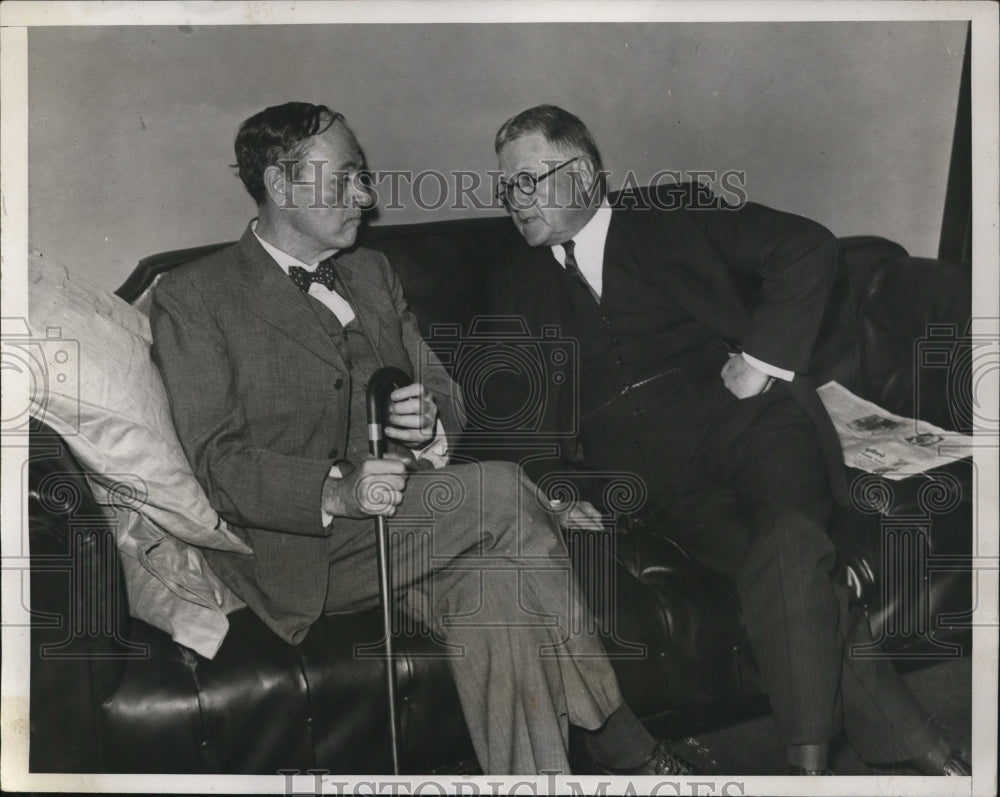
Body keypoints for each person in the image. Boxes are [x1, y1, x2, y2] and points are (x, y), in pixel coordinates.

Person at [149, 101, 695, 776]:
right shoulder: (194, 296)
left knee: (501, 597)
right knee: (501, 489)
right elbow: (216, 462)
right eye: (346, 177)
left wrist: (430, 429)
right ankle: (619, 738)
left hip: (411, 521)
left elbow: (444, 396)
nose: (367, 194)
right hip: (306, 546)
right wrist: (339, 490)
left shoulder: (373, 274)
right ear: (282, 187)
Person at [484, 103, 970, 776]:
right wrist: (559, 494)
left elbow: (808, 246)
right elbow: (515, 419)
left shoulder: (671, 214)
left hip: (751, 427)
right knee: (782, 570)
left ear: (586, 173)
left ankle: (806, 769)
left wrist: (764, 360)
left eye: (530, 180)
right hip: (656, 482)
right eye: (507, 187)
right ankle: (923, 746)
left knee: (788, 540)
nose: (516, 201)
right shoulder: (515, 283)